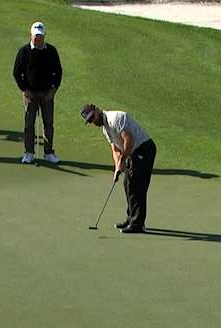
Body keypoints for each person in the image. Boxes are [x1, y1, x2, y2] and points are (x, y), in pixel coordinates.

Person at [81, 104, 157, 234]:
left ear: (97, 110)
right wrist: (117, 167)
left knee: (136, 185)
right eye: (90, 120)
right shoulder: (105, 129)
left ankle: (138, 223)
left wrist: (123, 160)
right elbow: (115, 148)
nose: (93, 121)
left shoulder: (115, 118)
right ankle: (131, 218)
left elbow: (129, 141)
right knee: (127, 184)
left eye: (93, 117)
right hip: (133, 151)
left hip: (144, 149)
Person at [13, 21, 63, 164]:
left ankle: (48, 153)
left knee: (48, 124)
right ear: (30, 35)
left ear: (44, 36)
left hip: (47, 93)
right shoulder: (24, 51)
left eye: (40, 36)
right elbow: (17, 72)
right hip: (30, 94)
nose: (37, 39)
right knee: (29, 124)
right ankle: (29, 152)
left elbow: (58, 72)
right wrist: (25, 89)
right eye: (35, 36)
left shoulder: (51, 51)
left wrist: (53, 90)